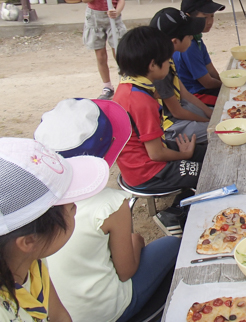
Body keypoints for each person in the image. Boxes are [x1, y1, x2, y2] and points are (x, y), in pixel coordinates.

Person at [35, 98, 181, 322]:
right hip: (106, 311)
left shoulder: (31, 203)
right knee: (174, 244)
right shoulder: (109, 203)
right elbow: (126, 271)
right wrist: (136, 241)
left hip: (54, 313)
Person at [0, 137, 108, 322]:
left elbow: (60, 316)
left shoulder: (31, 262)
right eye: (67, 204)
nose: (74, 206)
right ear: (29, 241)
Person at [113, 26, 205, 237]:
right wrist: (183, 155)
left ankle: (183, 192)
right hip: (148, 172)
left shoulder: (128, 86)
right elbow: (156, 154)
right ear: (153, 65)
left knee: (205, 154)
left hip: (141, 159)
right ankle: (173, 214)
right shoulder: (141, 101)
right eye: (167, 60)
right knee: (209, 175)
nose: (170, 63)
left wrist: (186, 155)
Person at [150, 8, 213, 144]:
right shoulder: (159, 71)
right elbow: (177, 112)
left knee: (223, 115)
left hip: (182, 108)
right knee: (219, 131)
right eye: (189, 35)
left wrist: (209, 112)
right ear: (174, 42)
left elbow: (184, 93)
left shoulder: (167, 57)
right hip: (171, 126)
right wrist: (209, 121)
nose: (192, 38)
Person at [177, 0, 226, 106]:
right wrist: (226, 85)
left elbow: (211, 70)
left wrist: (225, 83)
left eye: (212, 16)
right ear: (188, 16)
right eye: (205, 17)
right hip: (194, 93)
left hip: (202, 88)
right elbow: (207, 82)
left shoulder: (197, 37)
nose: (210, 22)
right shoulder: (188, 45)